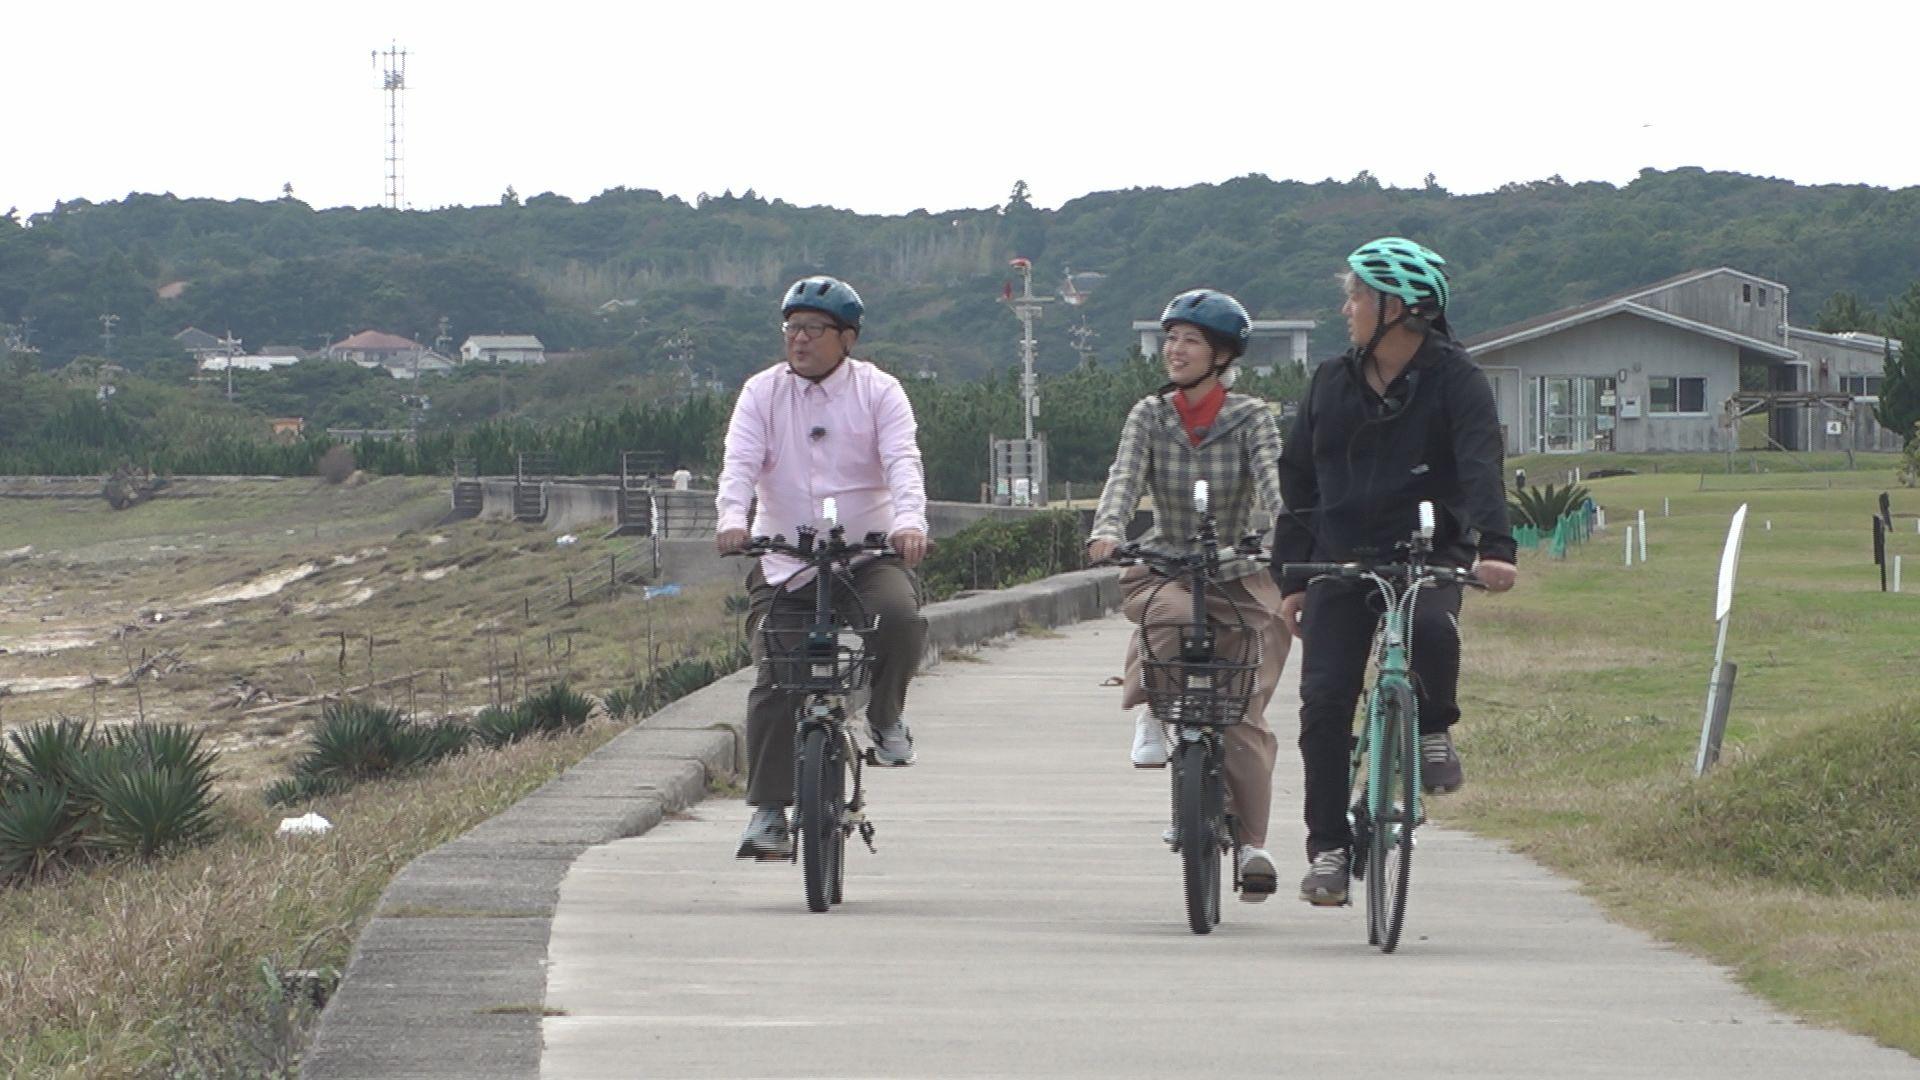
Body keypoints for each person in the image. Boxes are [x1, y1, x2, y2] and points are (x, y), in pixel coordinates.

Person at [1271, 237, 1518, 906]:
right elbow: (1300, 480)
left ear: (1399, 308)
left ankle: (1433, 728)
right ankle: (1326, 849)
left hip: (1428, 551)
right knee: (1323, 703)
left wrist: (1495, 546)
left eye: (1356, 296)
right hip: (1340, 555)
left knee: (1434, 631)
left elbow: (1478, 462)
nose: (1346, 308)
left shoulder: (1457, 380)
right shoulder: (1330, 381)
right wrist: (1291, 578)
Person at [1087, 288, 1292, 900]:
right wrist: (1106, 532)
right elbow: (1123, 479)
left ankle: (1253, 844)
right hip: (1168, 561)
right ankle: (1154, 706)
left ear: (1222, 355)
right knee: (1169, 616)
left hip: (1239, 569)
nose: (1175, 350)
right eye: (1171, 337)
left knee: (1243, 709)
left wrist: (1289, 533)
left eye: (1191, 341)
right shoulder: (1149, 415)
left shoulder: (1251, 415)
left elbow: (1273, 480)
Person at [716, 275, 931, 859]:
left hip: (865, 553)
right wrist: (733, 518)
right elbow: (738, 463)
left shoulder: (879, 391)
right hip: (786, 558)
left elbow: (902, 461)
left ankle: (886, 720)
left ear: (847, 338)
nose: (799, 339)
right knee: (775, 671)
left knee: (900, 619)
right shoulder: (761, 392)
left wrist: (910, 523)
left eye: (813, 329)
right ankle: (766, 811)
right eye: (791, 328)